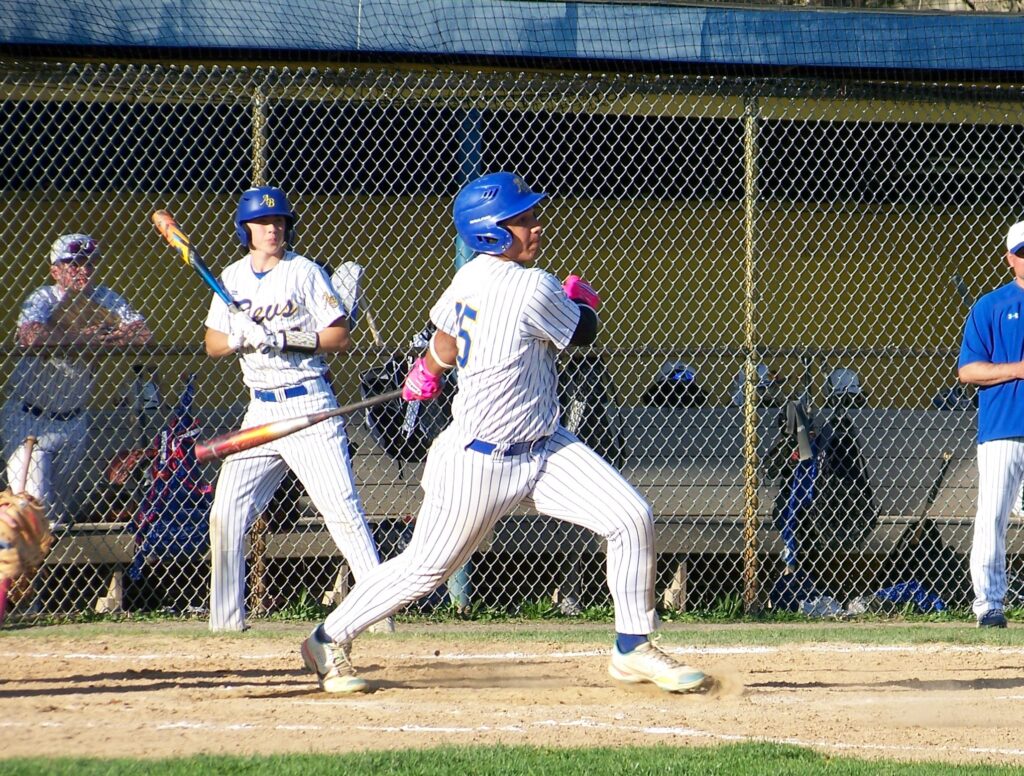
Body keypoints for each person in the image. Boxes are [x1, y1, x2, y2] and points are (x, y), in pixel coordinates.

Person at [300, 171, 706, 694]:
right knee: (425, 571)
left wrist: (427, 368)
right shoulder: (532, 285)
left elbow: (444, 343)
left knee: (630, 517)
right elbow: (583, 331)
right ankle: (327, 638)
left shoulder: (467, 276)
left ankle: (632, 647)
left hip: (545, 446)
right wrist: (581, 300)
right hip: (479, 460)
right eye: (523, 220)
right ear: (491, 231)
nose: (536, 226)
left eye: (532, 216)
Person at [203, 185, 385, 632]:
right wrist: (237, 339)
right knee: (226, 514)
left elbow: (338, 336)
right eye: (264, 223)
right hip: (260, 410)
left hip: (308, 403)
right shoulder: (231, 278)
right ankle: (226, 625)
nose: (273, 229)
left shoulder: (303, 272)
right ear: (245, 229)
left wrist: (285, 338)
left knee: (342, 514)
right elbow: (211, 344)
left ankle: (381, 615)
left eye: (280, 221)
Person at [0, 233, 153, 529]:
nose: (83, 270)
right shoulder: (44, 298)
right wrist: (82, 338)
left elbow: (143, 334)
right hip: (29, 416)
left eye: (89, 263)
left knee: (56, 519)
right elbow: (30, 336)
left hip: (74, 422)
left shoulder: (104, 298)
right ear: (55, 270)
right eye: (73, 263)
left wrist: (103, 340)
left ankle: (44, 576)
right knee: (32, 513)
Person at [957, 218, 1024, 629]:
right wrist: (1018, 369)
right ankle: (989, 606)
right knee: (992, 516)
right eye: (1023, 254)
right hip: (1002, 428)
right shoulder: (990, 306)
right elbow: (969, 371)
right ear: (1009, 259)